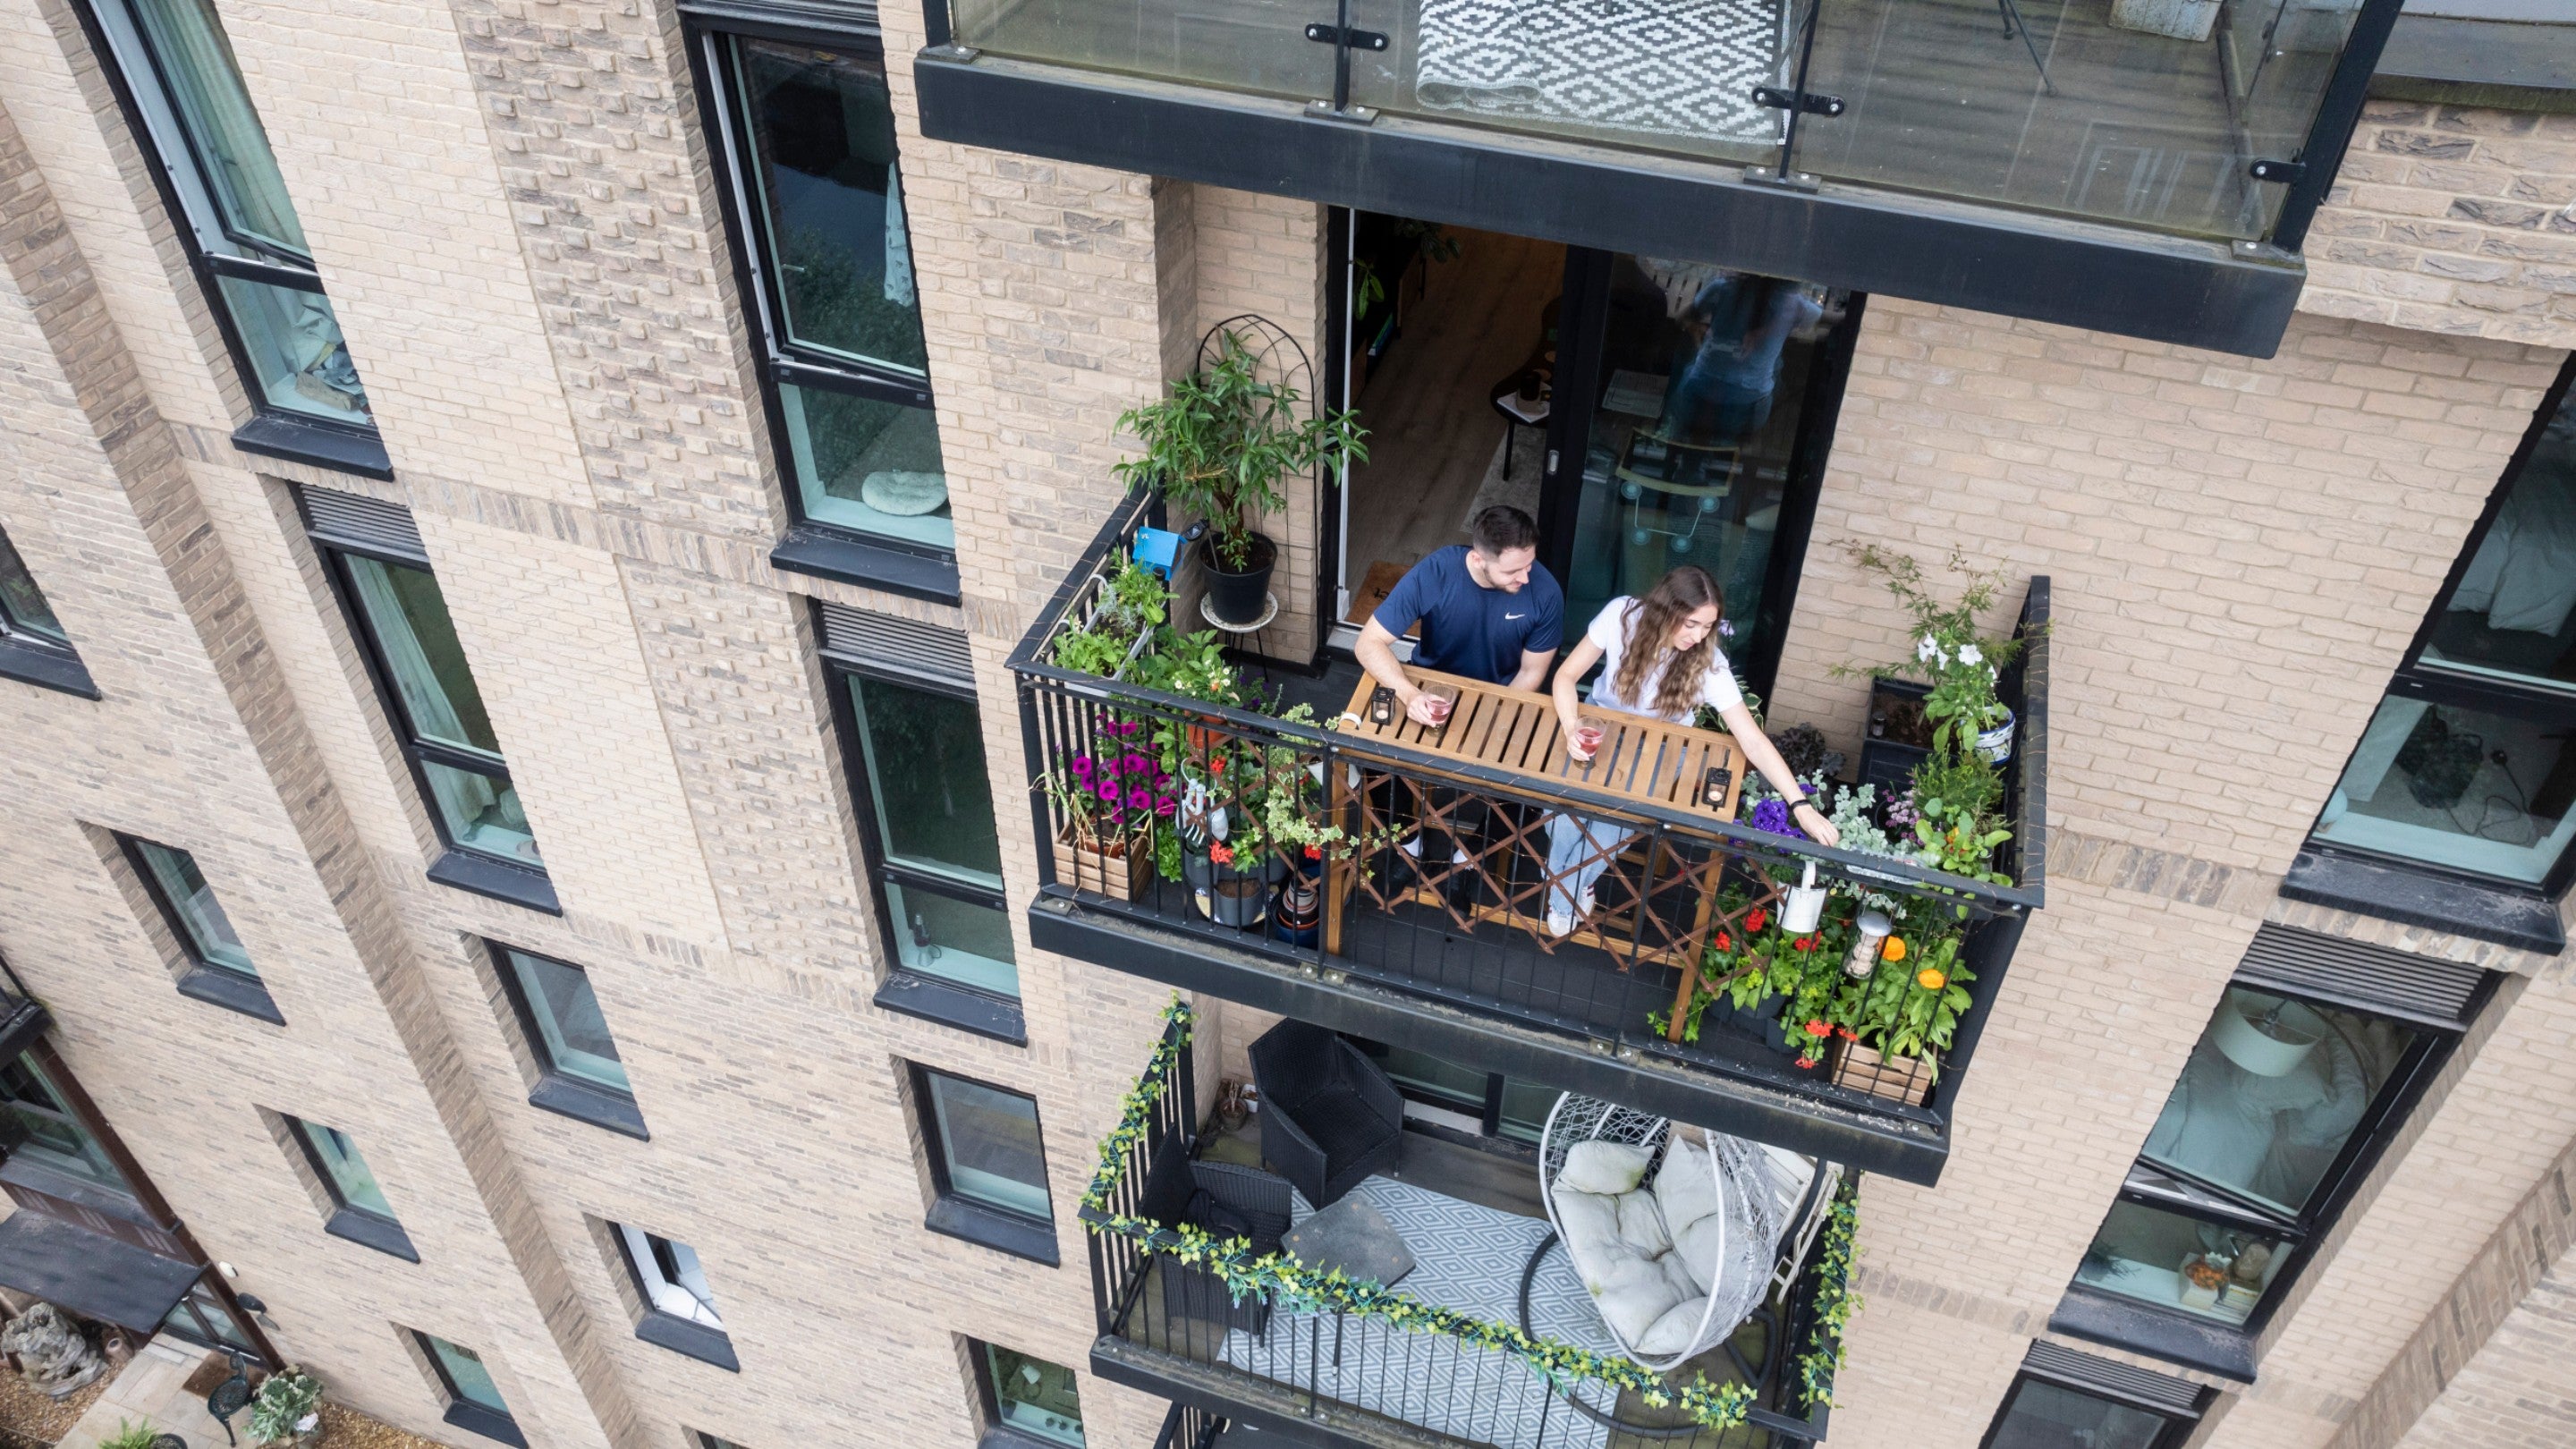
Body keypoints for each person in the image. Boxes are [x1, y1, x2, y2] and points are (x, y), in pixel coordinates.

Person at [1544, 565, 1838, 936]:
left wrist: (1801, 805)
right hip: (1600, 732)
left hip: (1661, 751)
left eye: (1707, 627)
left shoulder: (1708, 665)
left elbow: (1752, 739)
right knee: (1561, 815)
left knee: (1611, 821)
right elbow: (1566, 677)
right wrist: (1572, 726)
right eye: (1691, 624)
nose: (1699, 637)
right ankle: (1573, 888)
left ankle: (1561, 893)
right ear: (1666, 610)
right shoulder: (1622, 615)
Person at [1354, 505, 1564, 872]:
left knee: (1527, 785)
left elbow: (1532, 673)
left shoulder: (1545, 593)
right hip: (1428, 687)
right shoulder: (1437, 572)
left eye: (1530, 564)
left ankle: (1468, 861)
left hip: (1502, 699)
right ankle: (1408, 842)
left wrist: (1489, 717)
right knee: (1374, 754)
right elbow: (1367, 644)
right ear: (1478, 559)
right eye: (1514, 570)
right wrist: (1409, 694)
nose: (1527, 577)